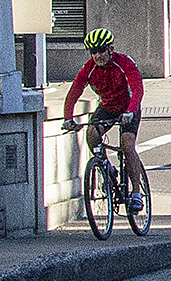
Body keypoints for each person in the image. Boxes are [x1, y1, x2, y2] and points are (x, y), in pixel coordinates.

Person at [60, 29, 147, 213]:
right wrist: (68, 117)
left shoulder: (124, 63)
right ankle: (106, 167)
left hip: (128, 107)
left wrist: (131, 111)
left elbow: (137, 89)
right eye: (94, 52)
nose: (97, 55)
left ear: (111, 49)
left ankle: (137, 194)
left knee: (127, 144)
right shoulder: (88, 68)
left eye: (101, 50)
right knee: (91, 134)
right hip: (107, 107)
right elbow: (73, 93)